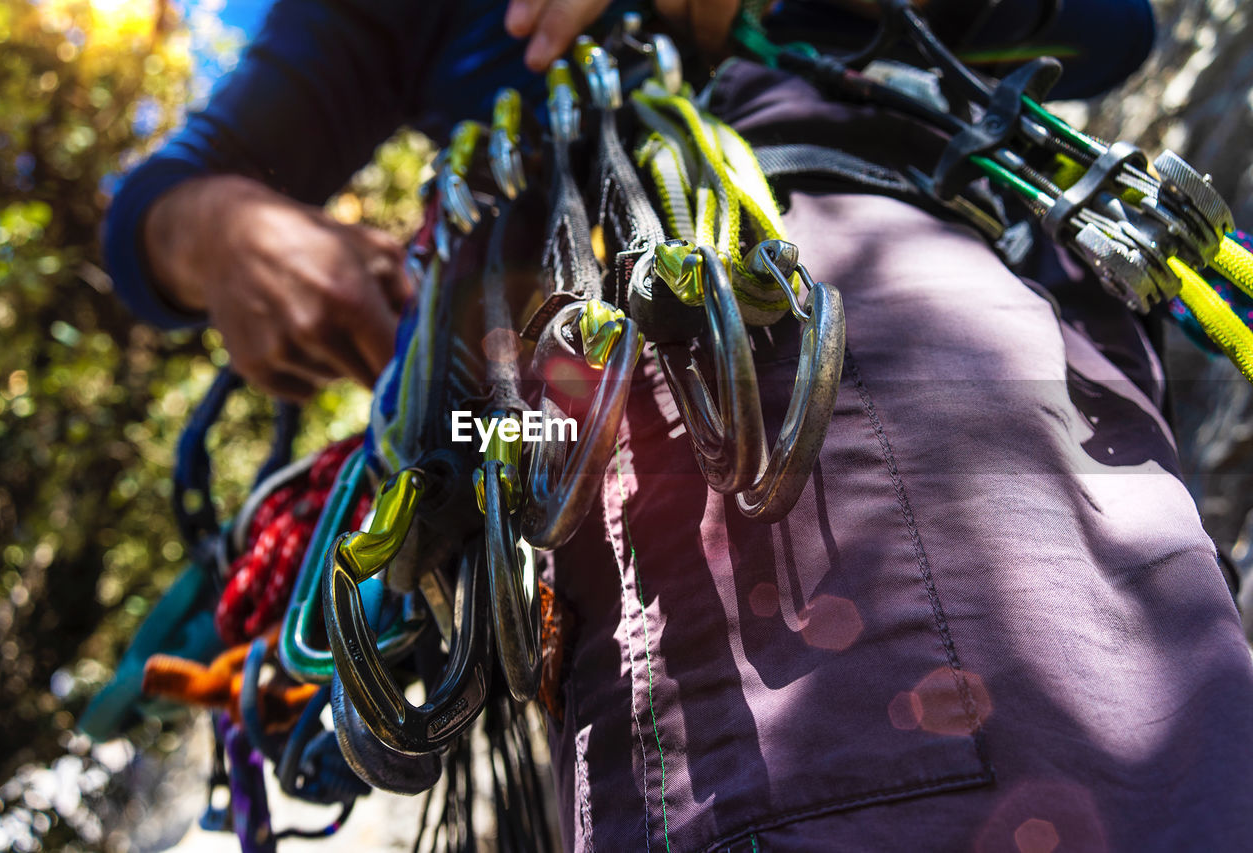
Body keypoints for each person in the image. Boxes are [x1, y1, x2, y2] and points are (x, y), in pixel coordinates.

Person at [104, 1, 1253, 850]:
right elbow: (163, 203)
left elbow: (1105, 28)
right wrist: (225, 228)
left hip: (848, 313)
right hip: (643, 388)